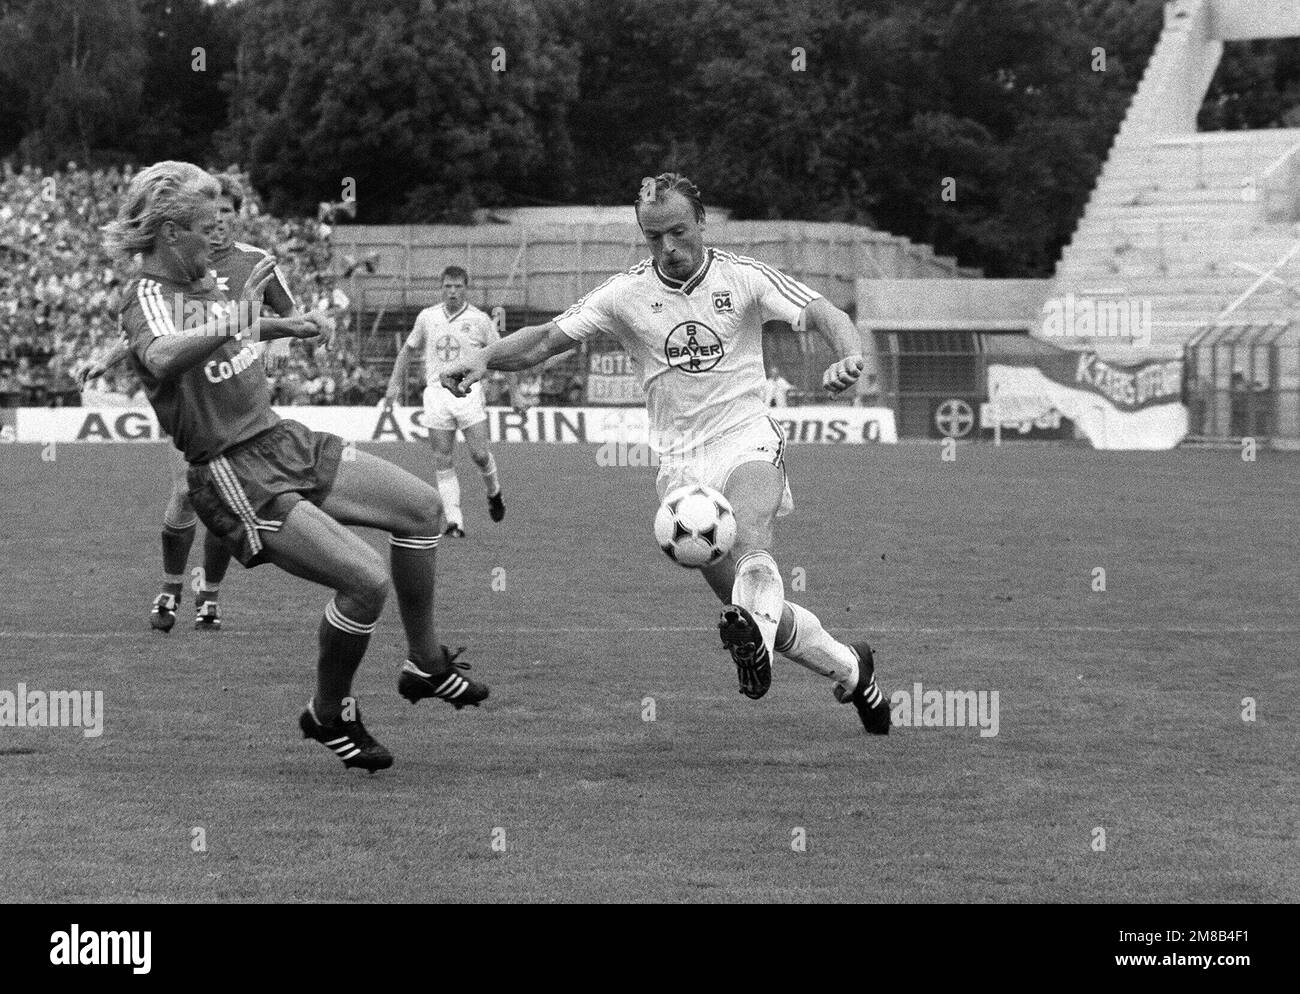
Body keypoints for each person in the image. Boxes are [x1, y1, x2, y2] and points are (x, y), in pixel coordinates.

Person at [442, 172, 889, 734]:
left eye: (678, 232)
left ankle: (758, 658)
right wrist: (483, 360)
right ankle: (852, 668)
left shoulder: (744, 277)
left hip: (747, 435)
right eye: (654, 238)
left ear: (701, 222)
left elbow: (825, 313)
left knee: (751, 536)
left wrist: (846, 355)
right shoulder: (624, 294)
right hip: (679, 467)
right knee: (760, 615)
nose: (668, 249)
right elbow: (546, 338)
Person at [103, 161, 487, 772]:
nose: (219, 238)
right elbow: (164, 351)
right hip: (232, 471)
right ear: (172, 234)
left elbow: (225, 330)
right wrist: (225, 319)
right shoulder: (147, 294)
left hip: (280, 439)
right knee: (365, 582)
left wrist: (287, 324)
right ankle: (328, 713)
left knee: (424, 509)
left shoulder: (203, 280)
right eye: (206, 229)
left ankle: (425, 663)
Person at [81, 173, 297, 633]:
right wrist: (110, 358)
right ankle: (172, 586)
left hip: (241, 391)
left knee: (217, 495)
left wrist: (283, 341)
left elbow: (285, 315)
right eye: (211, 217)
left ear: (238, 219)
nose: (219, 224)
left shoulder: (255, 262)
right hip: (194, 399)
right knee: (189, 491)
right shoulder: (180, 271)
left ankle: (210, 595)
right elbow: (153, 335)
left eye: (227, 216)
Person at [383, 266, 507, 538]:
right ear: (441, 288)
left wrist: (516, 392)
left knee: (479, 454)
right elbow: (407, 350)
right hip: (437, 394)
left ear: (466, 288)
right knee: (442, 457)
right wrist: (393, 384)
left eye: (458, 287)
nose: (452, 291)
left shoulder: (480, 319)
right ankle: (454, 521)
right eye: (447, 286)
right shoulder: (427, 317)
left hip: (468, 391)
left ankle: (494, 491)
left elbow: (501, 354)